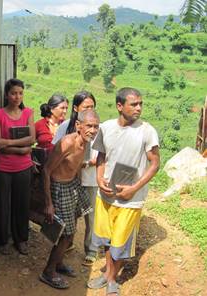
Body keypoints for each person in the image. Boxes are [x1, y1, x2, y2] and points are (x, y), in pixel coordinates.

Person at [87, 87, 160, 296]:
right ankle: (108, 276)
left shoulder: (147, 131)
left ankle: (111, 278)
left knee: (121, 241)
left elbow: (155, 164)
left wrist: (134, 189)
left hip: (131, 199)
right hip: (106, 195)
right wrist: (100, 178)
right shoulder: (107, 127)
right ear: (120, 106)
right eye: (133, 104)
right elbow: (101, 156)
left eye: (140, 104)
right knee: (108, 240)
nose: (138, 108)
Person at [40, 110, 99, 289]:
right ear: (78, 126)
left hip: (73, 184)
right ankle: (48, 272)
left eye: (96, 126)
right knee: (64, 234)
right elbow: (46, 171)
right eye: (89, 126)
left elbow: (75, 165)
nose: (93, 130)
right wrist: (49, 203)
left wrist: (79, 185)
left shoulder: (86, 142)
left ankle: (58, 263)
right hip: (59, 188)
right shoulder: (67, 143)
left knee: (71, 231)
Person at [52, 91, 98, 262]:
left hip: (90, 178)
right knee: (71, 215)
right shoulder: (65, 128)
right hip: (70, 179)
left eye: (92, 107)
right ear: (76, 108)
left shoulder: (95, 127)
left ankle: (91, 249)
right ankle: (66, 243)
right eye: (86, 107)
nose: (89, 110)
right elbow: (54, 150)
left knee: (90, 214)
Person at [0, 78, 35, 255]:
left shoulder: (28, 113)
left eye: (20, 93)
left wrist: (8, 143)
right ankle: (1, 240)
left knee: (22, 204)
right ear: (7, 95)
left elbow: (31, 139)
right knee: (1, 204)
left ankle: (21, 239)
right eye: (13, 93)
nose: (17, 97)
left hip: (23, 168)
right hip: (2, 168)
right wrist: (22, 148)